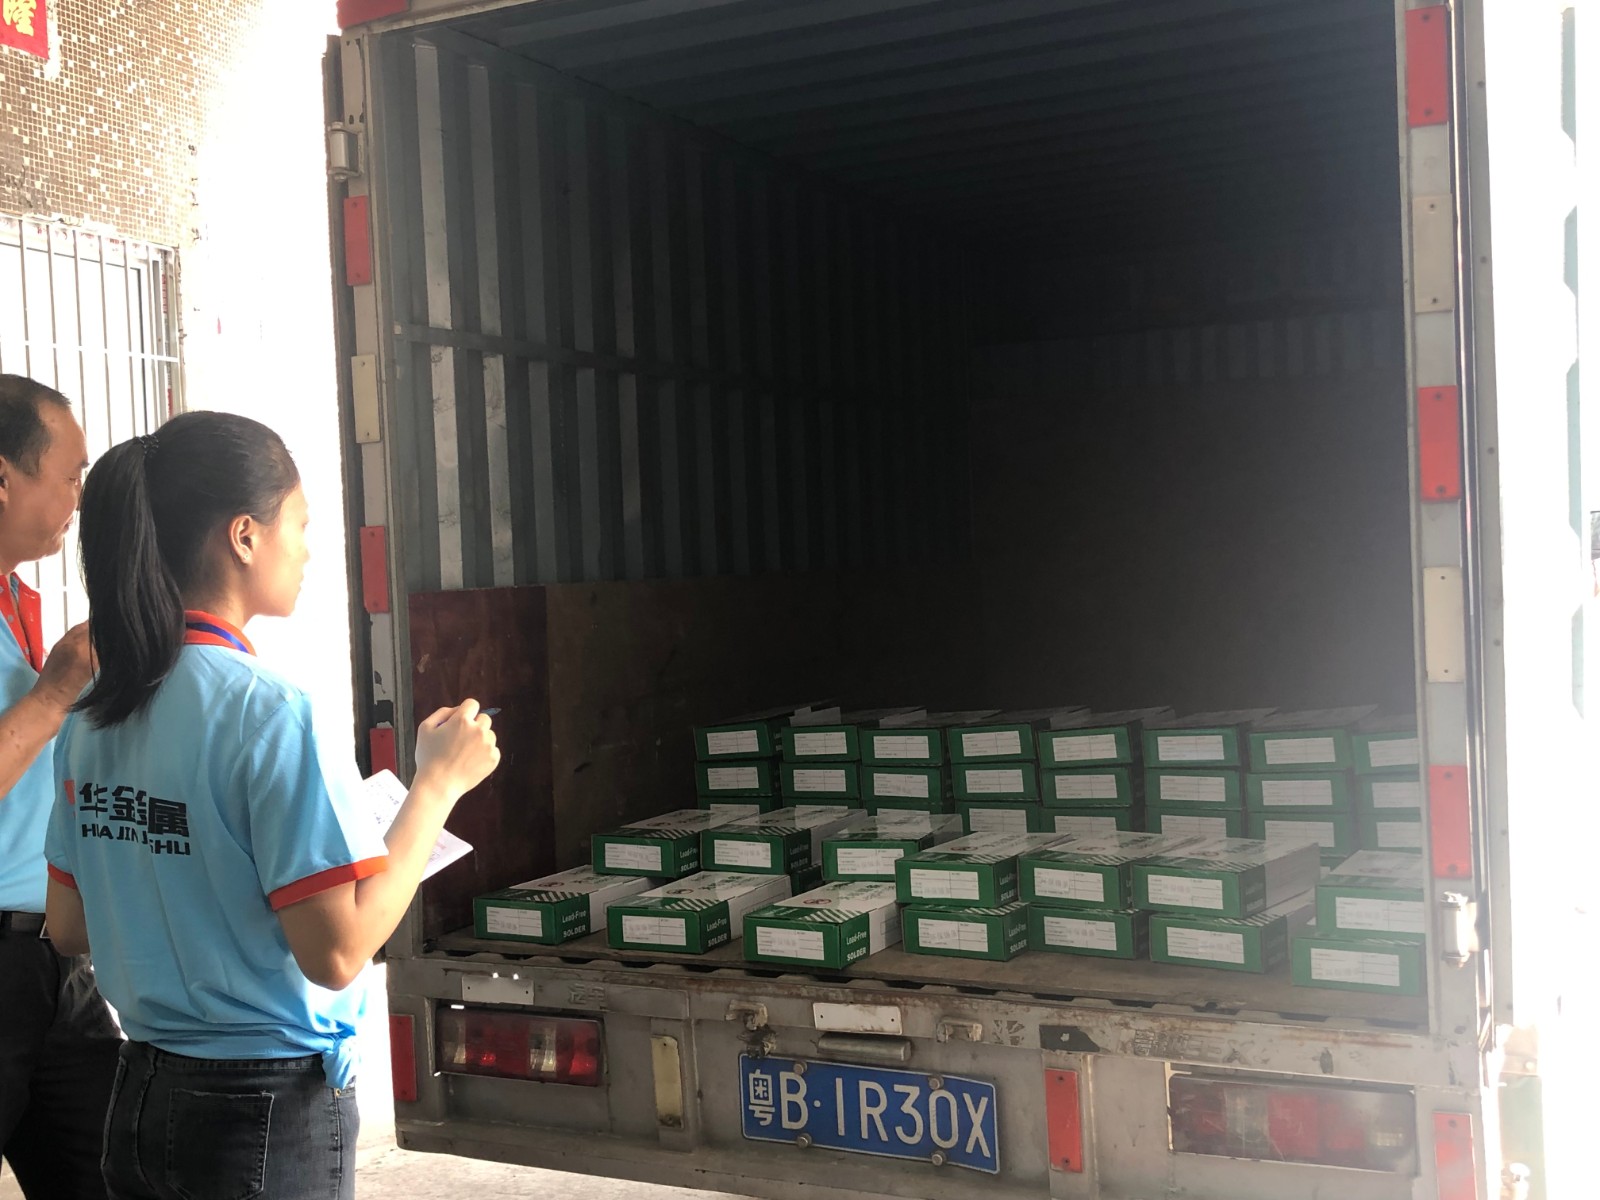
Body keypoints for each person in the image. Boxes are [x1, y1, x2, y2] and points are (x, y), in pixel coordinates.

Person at [43, 412, 500, 1200]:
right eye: (302, 524)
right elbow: (337, 953)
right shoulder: (271, 712)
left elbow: (70, 927)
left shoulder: (91, 715)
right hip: (261, 1111)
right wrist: (437, 786)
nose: (309, 549)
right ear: (245, 536)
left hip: (139, 1096)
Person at [0, 375, 120, 1200]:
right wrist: (53, 693)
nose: (79, 496)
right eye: (71, 475)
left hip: (51, 955)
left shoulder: (19, 598)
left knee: (109, 1171)